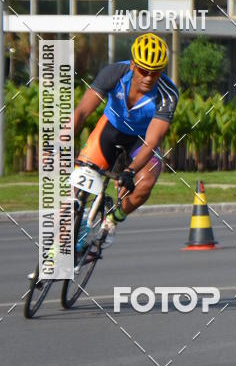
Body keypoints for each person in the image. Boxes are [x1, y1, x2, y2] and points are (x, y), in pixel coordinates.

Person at [71, 33, 179, 244]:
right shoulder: (114, 73)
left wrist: (130, 171)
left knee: (145, 183)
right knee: (76, 188)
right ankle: (62, 243)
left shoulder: (168, 94)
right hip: (110, 130)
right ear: (132, 65)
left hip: (141, 141)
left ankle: (112, 220)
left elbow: (152, 140)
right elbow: (82, 112)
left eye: (155, 72)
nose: (148, 77)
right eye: (143, 70)